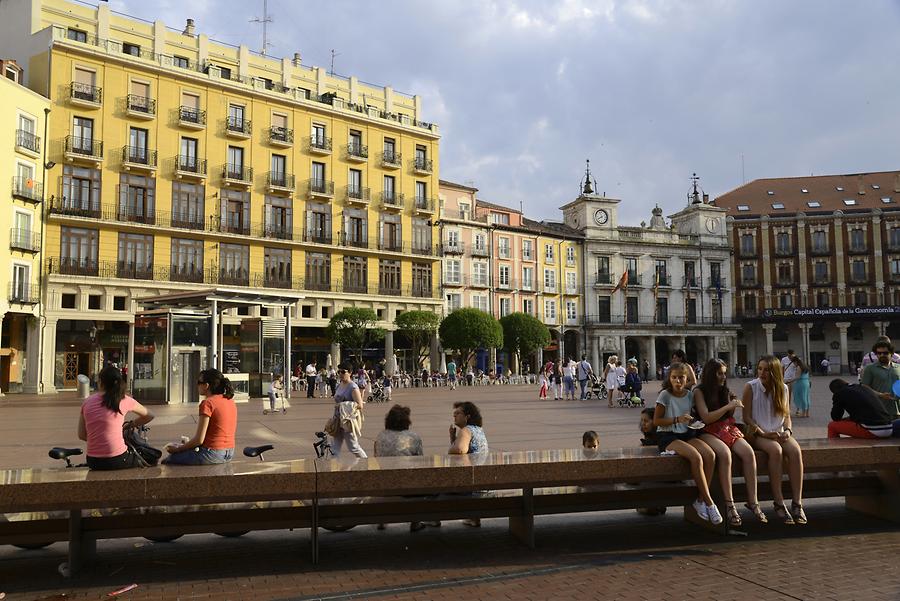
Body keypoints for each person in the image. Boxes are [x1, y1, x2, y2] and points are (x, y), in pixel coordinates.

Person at [693, 359, 767, 526]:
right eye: (720, 373)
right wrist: (728, 407)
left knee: (748, 453)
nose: (723, 377)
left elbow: (728, 416)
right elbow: (706, 417)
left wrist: (733, 404)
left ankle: (753, 501)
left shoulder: (724, 389)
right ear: (711, 374)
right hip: (706, 430)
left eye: (724, 373)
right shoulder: (700, 391)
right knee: (725, 455)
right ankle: (729, 504)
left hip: (726, 428)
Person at [653, 363, 722, 524]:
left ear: (687, 379)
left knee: (710, 455)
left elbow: (692, 416)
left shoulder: (690, 395)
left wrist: (692, 421)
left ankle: (700, 499)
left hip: (687, 433)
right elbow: (657, 421)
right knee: (696, 457)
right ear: (669, 379)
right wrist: (677, 419)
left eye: (681, 377)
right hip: (668, 436)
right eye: (674, 377)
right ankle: (710, 502)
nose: (678, 380)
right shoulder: (665, 395)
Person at [743, 355, 806, 525]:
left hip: (778, 432)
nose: (762, 373)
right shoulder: (750, 387)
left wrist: (788, 430)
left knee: (795, 451)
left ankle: (797, 502)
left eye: (767, 370)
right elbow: (746, 418)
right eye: (760, 369)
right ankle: (778, 502)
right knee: (775, 450)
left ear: (776, 372)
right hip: (758, 434)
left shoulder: (783, 388)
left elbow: (786, 416)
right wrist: (763, 433)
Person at [78, 366, 155, 470]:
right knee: (149, 457)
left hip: (93, 461)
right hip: (117, 459)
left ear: (100, 382)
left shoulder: (87, 402)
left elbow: (82, 435)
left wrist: (99, 440)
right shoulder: (123, 399)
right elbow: (149, 415)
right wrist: (130, 425)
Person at [164, 368, 237, 465]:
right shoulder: (229, 401)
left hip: (212, 453)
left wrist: (178, 449)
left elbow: (199, 440)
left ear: (206, 386)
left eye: (199, 382)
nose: (197, 385)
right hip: (229, 452)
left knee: (169, 460)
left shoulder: (208, 403)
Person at [448, 401, 489, 527]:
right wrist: (452, 438)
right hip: (482, 480)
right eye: (454, 414)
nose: (454, 416)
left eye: (458, 413)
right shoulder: (478, 429)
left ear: (467, 417)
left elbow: (460, 450)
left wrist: (451, 447)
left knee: (435, 492)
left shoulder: (466, 430)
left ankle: (431, 517)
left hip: (472, 485)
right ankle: (473, 517)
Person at [828, 379, 898, 438]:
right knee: (848, 420)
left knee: (832, 426)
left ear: (835, 391)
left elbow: (836, 417)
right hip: (888, 427)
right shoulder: (863, 388)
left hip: (873, 430)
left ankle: (831, 451)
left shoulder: (840, 393)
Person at [331, 362, 367, 458]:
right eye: (339, 372)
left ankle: (366, 462)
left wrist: (342, 405)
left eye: (343, 372)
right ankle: (332, 468)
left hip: (348, 421)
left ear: (350, 372)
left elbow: (360, 405)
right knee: (334, 447)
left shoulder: (353, 387)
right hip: (338, 420)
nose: (340, 374)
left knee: (353, 447)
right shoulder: (339, 385)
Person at [860, 339, 900, 418]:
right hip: (880, 410)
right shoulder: (870, 368)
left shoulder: (898, 367)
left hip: (897, 410)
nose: (882, 355)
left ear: (891, 353)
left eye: (885, 353)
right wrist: (880, 395)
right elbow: (864, 387)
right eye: (879, 353)